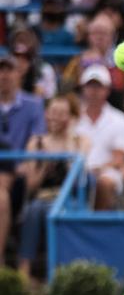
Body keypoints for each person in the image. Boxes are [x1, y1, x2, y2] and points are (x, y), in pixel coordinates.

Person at [16, 94, 87, 280]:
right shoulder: (36, 143)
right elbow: (31, 187)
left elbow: (77, 180)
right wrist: (43, 166)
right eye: (53, 112)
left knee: (55, 211)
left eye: (62, 113)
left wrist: (70, 138)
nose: (55, 117)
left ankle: (60, 272)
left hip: (68, 200)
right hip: (41, 198)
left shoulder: (80, 142)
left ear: (71, 117)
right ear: (46, 114)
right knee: (34, 209)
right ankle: (24, 270)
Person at [0, 51, 46, 261]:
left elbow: (37, 141)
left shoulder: (34, 104)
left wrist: (25, 164)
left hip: (21, 174)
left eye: (8, 69)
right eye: (0, 70)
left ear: (18, 73)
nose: (3, 75)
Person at [74, 64, 124, 210]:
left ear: (107, 90)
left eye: (98, 86)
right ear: (83, 89)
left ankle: (96, 226)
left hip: (107, 172)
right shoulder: (72, 119)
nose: (94, 91)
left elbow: (119, 158)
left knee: (104, 182)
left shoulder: (121, 120)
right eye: (90, 86)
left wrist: (95, 170)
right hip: (75, 172)